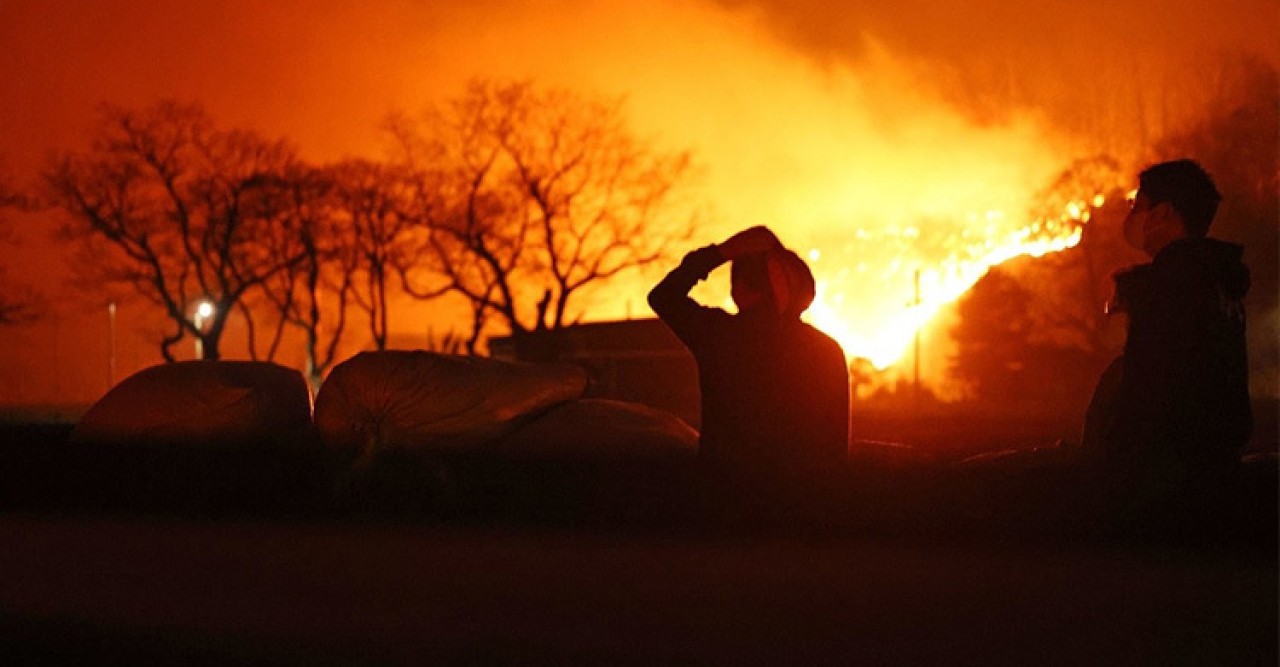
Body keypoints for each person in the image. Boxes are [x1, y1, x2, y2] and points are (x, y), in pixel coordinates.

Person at [1086, 159, 1252, 518]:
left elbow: (1150, 393)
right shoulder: (1218, 280)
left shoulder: (1170, 286)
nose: (1132, 217)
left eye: (1137, 206)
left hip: (1166, 487)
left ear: (1163, 214)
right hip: (1214, 471)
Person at [648, 226, 849, 519]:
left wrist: (719, 253)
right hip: (804, 517)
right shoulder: (827, 351)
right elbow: (836, 452)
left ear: (740, 289)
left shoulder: (719, 335)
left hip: (725, 512)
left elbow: (663, 296)